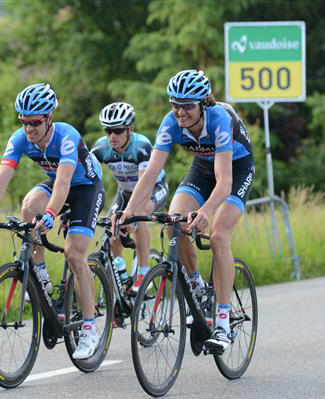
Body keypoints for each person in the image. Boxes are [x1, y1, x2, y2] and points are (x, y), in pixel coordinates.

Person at [0, 83, 105, 360]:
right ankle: (39, 274)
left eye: (35, 122)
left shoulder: (66, 136)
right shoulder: (20, 138)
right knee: (27, 207)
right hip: (58, 184)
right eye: (24, 122)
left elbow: (64, 182)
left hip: (85, 187)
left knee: (75, 254)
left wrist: (51, 214)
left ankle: (89, 328)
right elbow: (2, 177)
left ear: (49, 118)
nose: (29, 129)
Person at [116, 70, 254, 352]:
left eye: (187, 105)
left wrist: (204, 211)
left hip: (235, 170)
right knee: (173, 224)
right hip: (202, 168)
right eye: (175, 104)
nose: (180, 112)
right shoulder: (170, 123)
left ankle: (224, 324)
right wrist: (129, 211)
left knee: (218, 236)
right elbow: (151, 172)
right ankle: (197, 285)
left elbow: (225, 181)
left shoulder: (219, 119)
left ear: (203, 104)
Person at [91, 102, 169, 293]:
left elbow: (144, 185)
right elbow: (88, 179)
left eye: (117, 131)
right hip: (125, 192)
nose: (112, 136)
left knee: (138, 214)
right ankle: (118, 273)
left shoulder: (141, 146)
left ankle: (143, 274)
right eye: (108, 130)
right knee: (113, 225)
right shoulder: (101, 148)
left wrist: (131, 214)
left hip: (153, 189)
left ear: (130, 129)